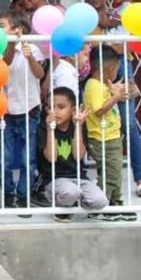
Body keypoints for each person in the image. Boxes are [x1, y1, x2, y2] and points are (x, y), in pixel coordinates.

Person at [86, 0, 141, 197]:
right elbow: (89, 48)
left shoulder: (117, 14)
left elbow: (125, 46)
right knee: (96, 120)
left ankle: (139, 178)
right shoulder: (86, 19)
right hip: (96, 74)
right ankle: (102, 176)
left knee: (128, 123)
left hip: (121, 68)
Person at [37, 87, 108, 223]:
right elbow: (51, 158)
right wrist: (50, 129)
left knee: (101, 201)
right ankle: (63, 208)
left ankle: (76, 204)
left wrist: (78, 126)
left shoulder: (79, 127)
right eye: (51, 107)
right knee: (71, 192)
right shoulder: (43, 128)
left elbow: (78, 155)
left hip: (79, 178)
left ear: (73, 109)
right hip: (55, 179)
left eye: (61, 107)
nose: (55, 111)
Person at [0, 10, 45, 209]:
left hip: (29, 109)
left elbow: (39, 73)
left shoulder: (32, 48)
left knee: (28, 158)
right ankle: (8, 194)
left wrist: (29, 57)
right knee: (5, 158)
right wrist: (10, 44)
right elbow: (6, 62)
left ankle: (23, 195)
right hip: (6, 111)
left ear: (18, 30)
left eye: (1, 26)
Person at [83, 46, 136, 221]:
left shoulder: (101, 84)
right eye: (117, 69)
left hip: (111, 136)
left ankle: (114, 202)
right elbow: (99, 110)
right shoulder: (94, 86)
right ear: (111, 69)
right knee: (110, 173)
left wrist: (115, 91)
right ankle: (100, 206)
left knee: (114, 172)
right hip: (102, 138)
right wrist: (116, 97)